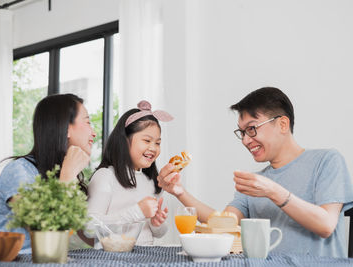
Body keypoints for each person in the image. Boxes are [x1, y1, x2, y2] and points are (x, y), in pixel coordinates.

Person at [157, 87, 353, 258]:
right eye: (241, 133)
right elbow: (223, 223)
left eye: (251, 129)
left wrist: (274, 192)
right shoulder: (256, 182)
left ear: (282, 124)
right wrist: (179, 192)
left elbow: (326, 225)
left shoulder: (326, 161)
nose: (245, 140)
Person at [0, 94, 96, 253]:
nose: (93, 132)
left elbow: (83, 236)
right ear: (66, 128)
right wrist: (68, 176)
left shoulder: (60, 173)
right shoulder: (19, 171)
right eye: (88, 122)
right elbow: (47, 234)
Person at [85, 100, 172, 247]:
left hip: (146, 258)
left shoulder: (150, 181)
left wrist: (156, 223)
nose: (153, 148)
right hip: (111, 259)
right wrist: (137, 212)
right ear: (124, 141)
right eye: (146, 140)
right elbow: (89, 227)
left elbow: (158, 233)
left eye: (157, 143)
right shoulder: (105, 176)